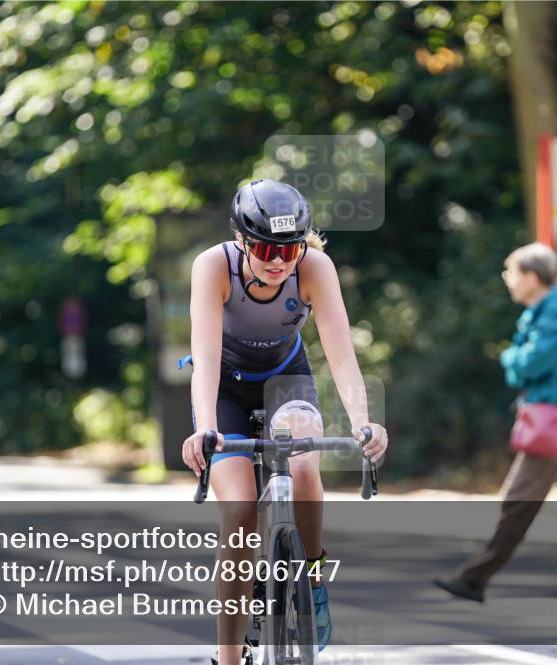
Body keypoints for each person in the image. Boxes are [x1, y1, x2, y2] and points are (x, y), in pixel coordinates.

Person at [179, 179, 388, 665]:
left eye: (290, 249)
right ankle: (228, 655)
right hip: (225, 388)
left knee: (305, 466)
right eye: (267, 248)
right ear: (242, 241)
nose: (279, 261)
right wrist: (205, 428)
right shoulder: (213, 266)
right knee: (239, 512)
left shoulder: (314, 267)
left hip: (284, 379)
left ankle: (313, 572)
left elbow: (340, 354)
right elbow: (205, 359)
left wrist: (364, 424)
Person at [434, 243, 557, 604]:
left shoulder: (556, 309)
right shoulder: (554, 307)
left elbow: (535, 360)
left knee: (518, 502)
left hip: (552, 421)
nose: (508, 281)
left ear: (532, 277)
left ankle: (475, 577)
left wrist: (510, 358)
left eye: (512, 273)